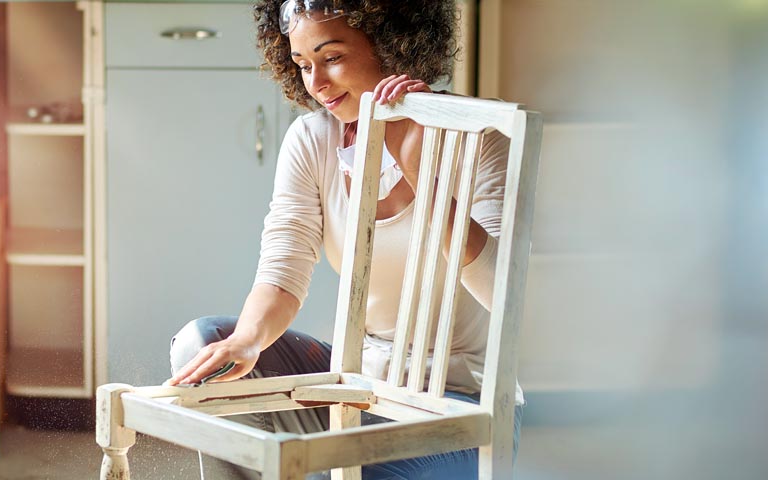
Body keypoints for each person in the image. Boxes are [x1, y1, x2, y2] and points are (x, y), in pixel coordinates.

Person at [166, 1, 524, 478]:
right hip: (361, 387)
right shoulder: (312, 140)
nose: (316, 84)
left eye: (331, 57)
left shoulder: (482, 135)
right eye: (302, 64)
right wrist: (249, 340)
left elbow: (503, 293)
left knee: (350, 466)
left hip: (463, 407)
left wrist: (420, 168)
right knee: (203, 346)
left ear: (393, 42)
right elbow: (283, 265)